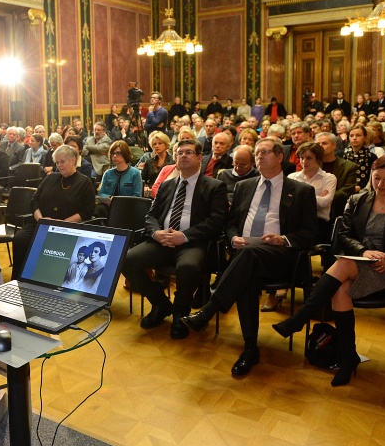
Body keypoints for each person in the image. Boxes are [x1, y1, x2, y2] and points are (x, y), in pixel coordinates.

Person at [272, 156, 385, 385]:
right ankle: (348, 358)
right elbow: (343, 236)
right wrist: (363, 251)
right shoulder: (358, 200)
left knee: (342, 267)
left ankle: (301, 318)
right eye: (376, 178)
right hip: (357, 261)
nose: (380, 185)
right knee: (340, 288)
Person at [181, 137, 318, 376]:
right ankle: (250, 348)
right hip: (245, 257)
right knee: (247, 272)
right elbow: (231, 224)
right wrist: (233, 238)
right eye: (257, 153)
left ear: (280, 157)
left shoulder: (301, 190)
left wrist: (283, 239)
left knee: (247, 257)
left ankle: (209, 310)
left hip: (281, 257)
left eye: (265, 152)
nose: (259, 157)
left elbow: (310, 234)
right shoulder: (245, 186)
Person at [122, 139, 228, 338]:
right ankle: (160, 304)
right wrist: (156, 233)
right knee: (127, 260)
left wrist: (184, 236)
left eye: (189, 152)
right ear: (175, 158)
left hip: (192, 243)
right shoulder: (167, 185)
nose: (184, 156)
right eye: (180, 153)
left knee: (188, 268)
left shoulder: (215, 186)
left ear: (199, 158)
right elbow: (151, 215)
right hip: (162, 240)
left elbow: (216, 222)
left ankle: (181, 312)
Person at [262, 142, 336, 311]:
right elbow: (283, 203)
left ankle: (287, 285)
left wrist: (303, 199)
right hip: (293, 222)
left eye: (309, 158)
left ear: (318, 159)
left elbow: (326, 202)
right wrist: (315, 197)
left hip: (319, 225)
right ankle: (275, 290)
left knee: (294, 240)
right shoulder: (293, 178)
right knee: (276, 238)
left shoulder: (329, 178)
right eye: (301, 158)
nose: (304, 161)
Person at [11, 145, 95, 274]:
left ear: (73, 160)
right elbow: (34, 200)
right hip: (41, 223)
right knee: (19, 239)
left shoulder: (84, 182)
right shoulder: (50, 178)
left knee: (49, 244)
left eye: (62, 161)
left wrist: (62, 223)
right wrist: (41, 220)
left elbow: (88, 210)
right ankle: (19, 280)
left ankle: (41, 278)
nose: (59, 165)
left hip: (66, 226)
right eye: (57, 162)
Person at [94, 140, 142, 218]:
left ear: (125, 154)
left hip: (127, 207)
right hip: (109, 206)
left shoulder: (135, 173)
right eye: (113, 153)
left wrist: (119, 201)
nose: (115, 156)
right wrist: (111, 198)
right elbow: (101, 193)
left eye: (118, 153)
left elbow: (137, 197)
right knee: (99, 209)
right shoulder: (108, 173)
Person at [343, 125, 378, 192]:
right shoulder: (342, 154)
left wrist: (361, 187)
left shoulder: (371, 156)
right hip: (344, 189)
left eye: (358, 135)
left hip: (364, 190)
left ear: (365, 138)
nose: (354, 138)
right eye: (351, 136)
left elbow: (372, 177)